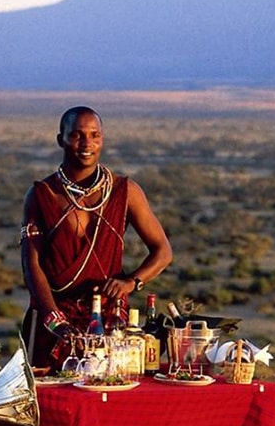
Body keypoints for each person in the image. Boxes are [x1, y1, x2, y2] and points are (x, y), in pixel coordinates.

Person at [20, 106, 172, 369]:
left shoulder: (125, 192)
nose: (86, 143)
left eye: (94, 135)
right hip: (52, 318)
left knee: (110, 395)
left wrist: (130, 283)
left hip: (108, 320)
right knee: (48, 403)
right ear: (61, 140)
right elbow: (31, 266)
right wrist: (54, 320)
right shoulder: (41, 195)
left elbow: (163, 251)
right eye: (77, 135)